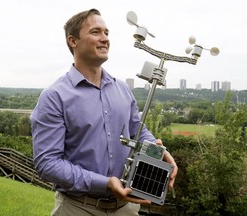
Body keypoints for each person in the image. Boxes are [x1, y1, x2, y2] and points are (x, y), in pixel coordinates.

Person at [30, 8, 178, 216]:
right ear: (73, 41)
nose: (105, 39)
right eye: (95, 32)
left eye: (106, 33)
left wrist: (159, 151)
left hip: (126, 209)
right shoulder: (54, 97)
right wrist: (106, 183)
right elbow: (47, 164)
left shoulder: (122, 89)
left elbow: (137, 131)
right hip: (77, 208)